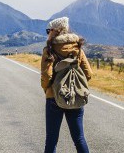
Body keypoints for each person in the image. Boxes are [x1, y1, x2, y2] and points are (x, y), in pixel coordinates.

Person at [41, 17, 93, 153]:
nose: (47, 33)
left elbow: (46, 76)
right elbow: (88, 74)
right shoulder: (78, 48)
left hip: (54, 97)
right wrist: (75, 84)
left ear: (55, 31)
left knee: (51, 140)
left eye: (49, 30)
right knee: (79, 139)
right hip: (76, 96)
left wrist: (47, 89)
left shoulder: (50, 49)